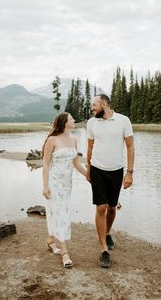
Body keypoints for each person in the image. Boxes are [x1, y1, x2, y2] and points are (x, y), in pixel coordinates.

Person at [86, 94, 134, 268]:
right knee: (101, 207)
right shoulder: (92, 123)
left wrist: (129, 173)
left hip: (116, 171)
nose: (92, 108)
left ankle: (107, 232)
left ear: (104, 104)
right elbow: (89, 148)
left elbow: (130, 146)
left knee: (112, 207)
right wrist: (89, 170)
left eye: (95, 105)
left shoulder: (123, 121)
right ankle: (104, 250)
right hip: (97, 169)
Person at [42, 112, 87, 268]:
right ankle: (65, 253)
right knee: (60, 213)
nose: (74, 120)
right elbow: (46, 164)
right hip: (54, 183)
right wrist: (45, 186)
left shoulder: (73, 140)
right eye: (72, 118)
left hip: (67, 183)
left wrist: (89, 176)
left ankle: (50, 241)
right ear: (64, 122)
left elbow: (76, 163)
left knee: (59, 211)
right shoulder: (52, 140)